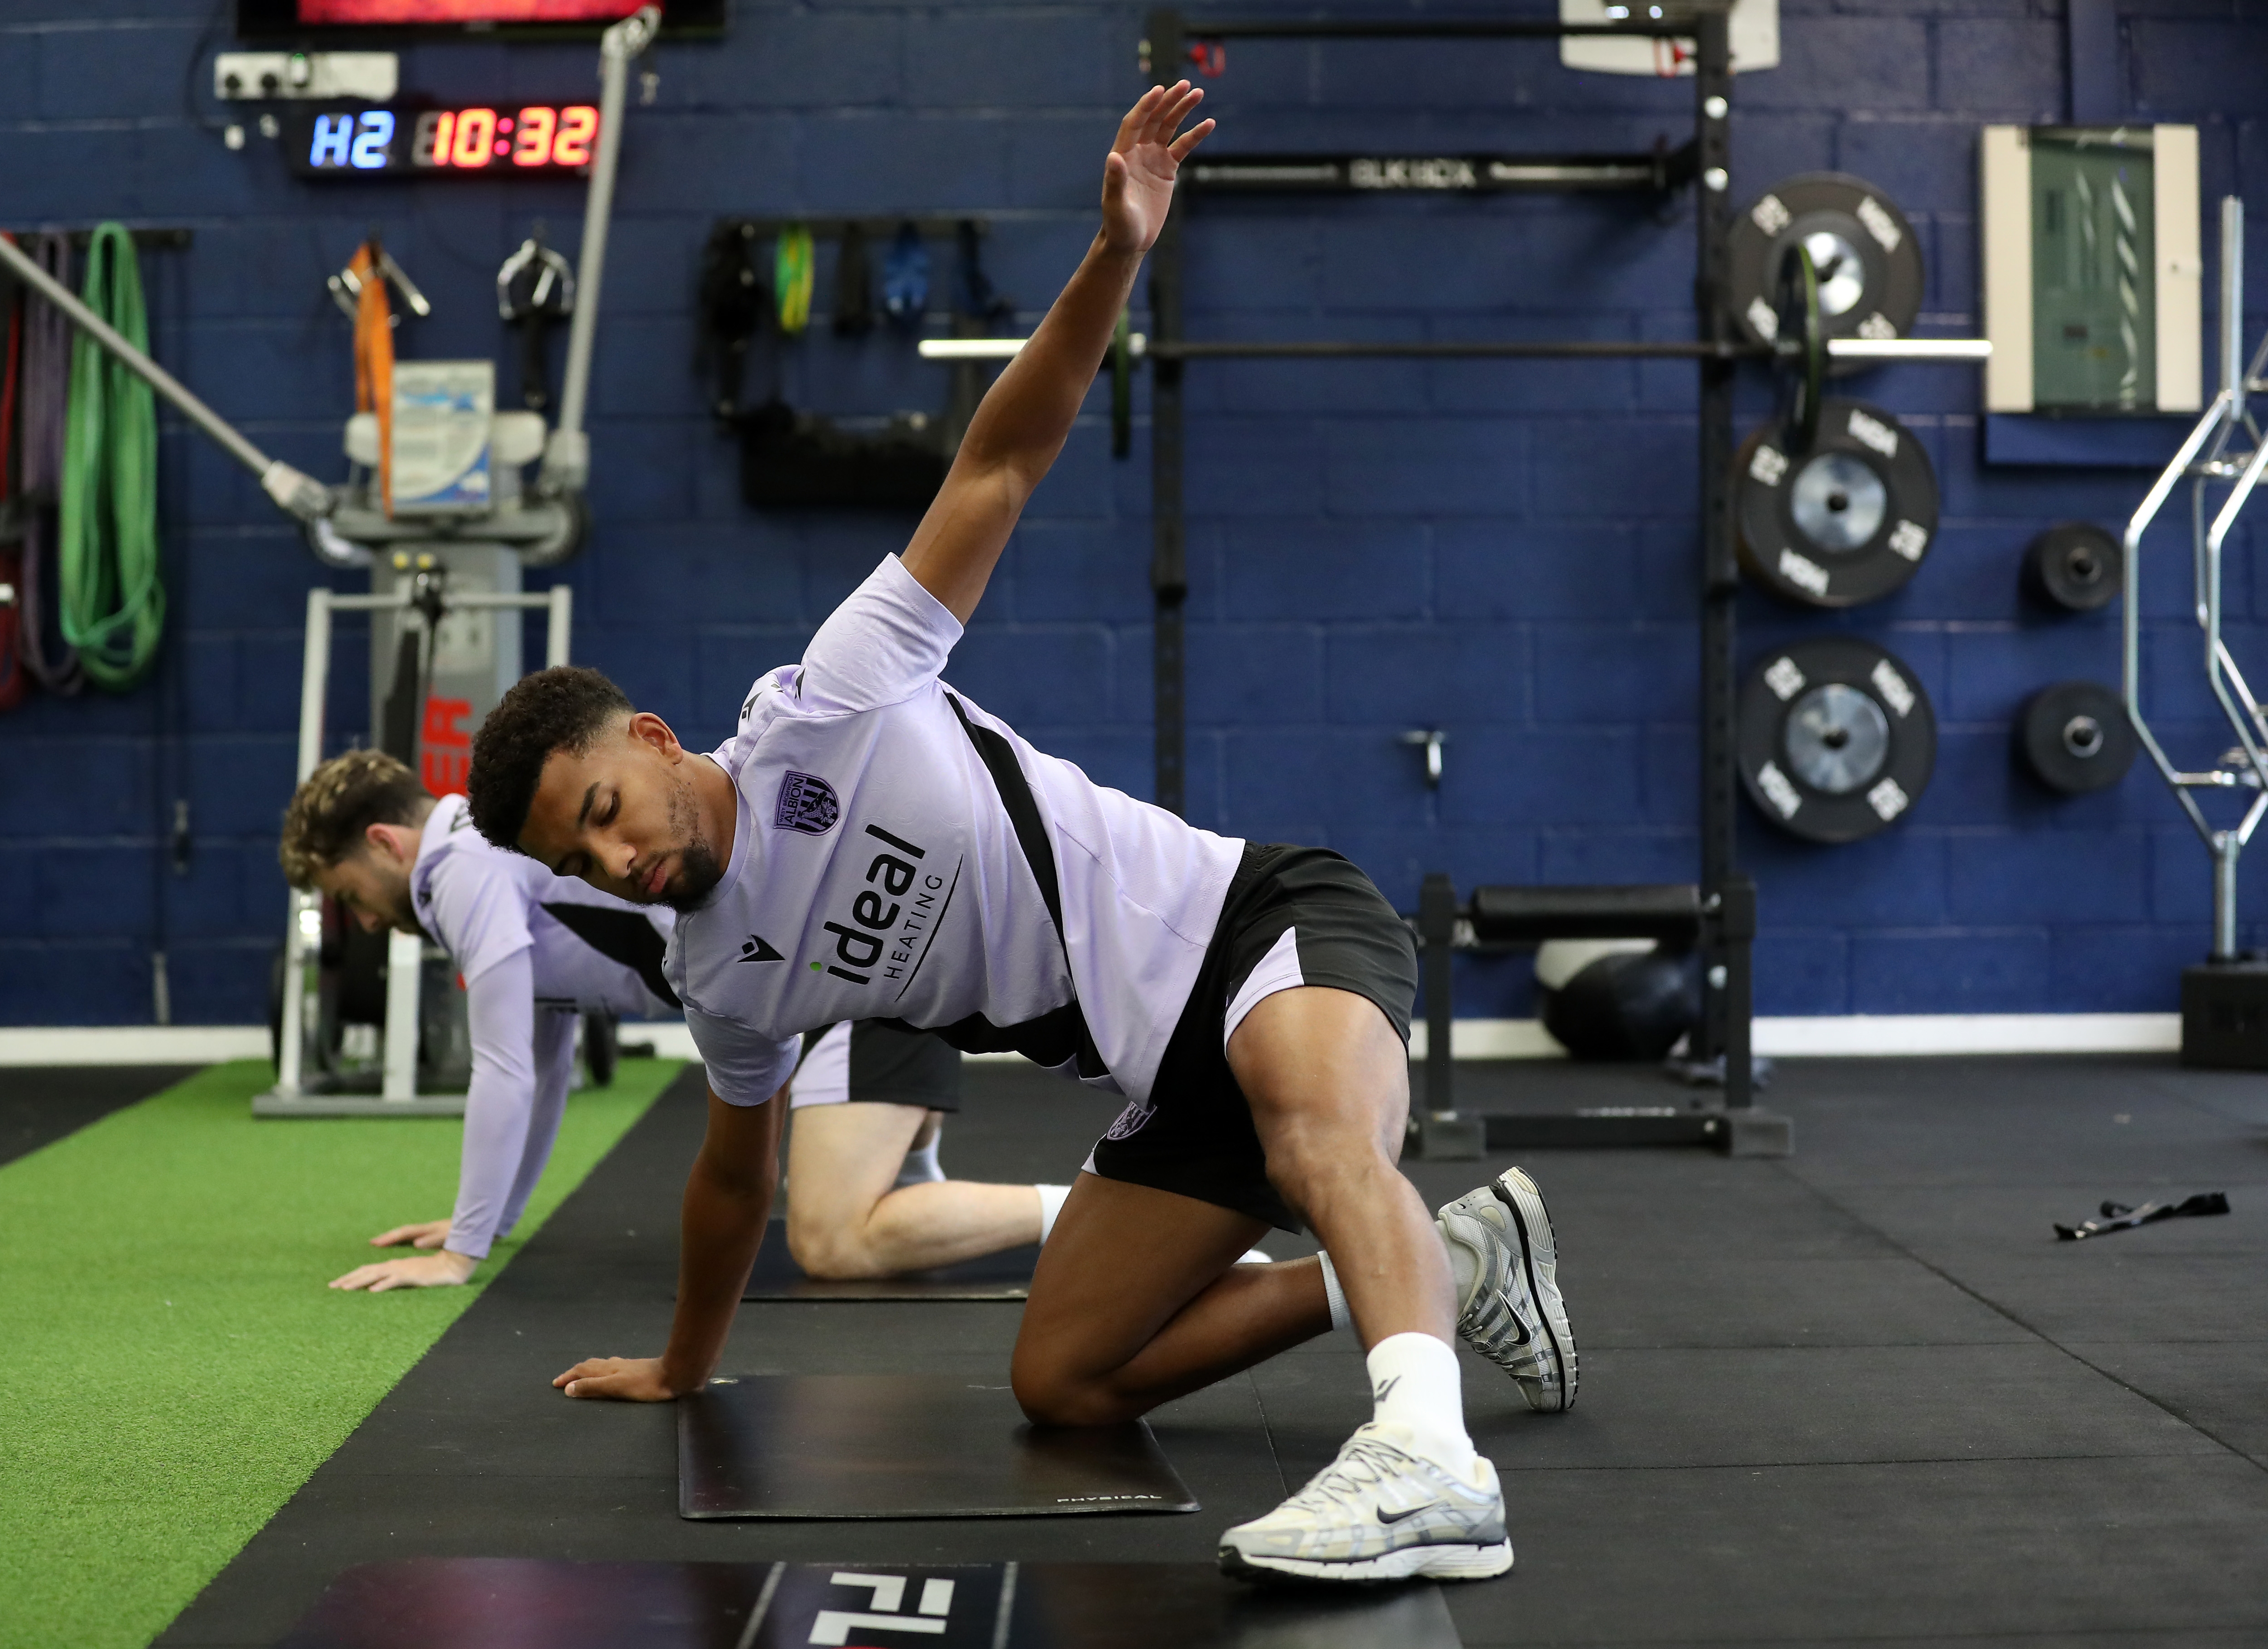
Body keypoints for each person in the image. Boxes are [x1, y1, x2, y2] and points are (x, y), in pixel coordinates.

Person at [461, 84, 1578, 1585]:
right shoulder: (723, 973)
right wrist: (680, 1363)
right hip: (1163, 1075)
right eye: (578, 862)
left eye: (601, 811)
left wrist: (1116, 250)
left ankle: (1431, 1457)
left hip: (1262, 933)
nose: (615, 860)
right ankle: (1451, 1257)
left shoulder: (832, 698)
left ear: (652, 740)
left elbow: (1000, 461)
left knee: (1319, 1132)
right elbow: (732, 1180)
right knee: (1064, 1379)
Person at [277, 749, 1064, 1293]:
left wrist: (460, 1255)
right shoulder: (484, 858)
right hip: (829, 1005)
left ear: (385, 843)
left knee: (832, 1243)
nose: (368, 925)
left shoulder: (458, 871)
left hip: (844, 998)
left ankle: (1086, 1214)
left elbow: (505, 1068)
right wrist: (490, 1221)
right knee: (876, 1218)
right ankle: (916, 1193)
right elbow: (548, 1062)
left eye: (351, 897)